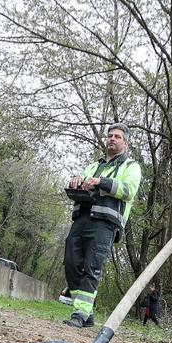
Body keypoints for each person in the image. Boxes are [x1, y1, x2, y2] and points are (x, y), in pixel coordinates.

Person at [62, 123, 142, 327]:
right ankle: (86, 313)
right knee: (71, 262)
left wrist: (100, 182)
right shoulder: (93, 165)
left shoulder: (130, 166)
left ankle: (80, 313)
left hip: (105, 223)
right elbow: (84, 182)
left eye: (117, 137)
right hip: (82, 217)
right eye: (110, 136)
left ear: (126, 142)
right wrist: (77, 181)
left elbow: (128, 190)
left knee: (92, 266)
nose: (112, 139)